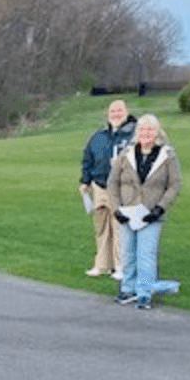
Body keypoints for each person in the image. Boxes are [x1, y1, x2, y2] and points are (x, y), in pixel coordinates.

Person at [108, 113, 181, 310]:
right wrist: (116, 209)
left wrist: (160, 208)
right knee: (128, 253)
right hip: (127, 213)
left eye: (150, 129)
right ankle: (128, 289)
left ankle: (144, 293)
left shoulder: (167, 155)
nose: (145, 133)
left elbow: (174, 185)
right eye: (142, 129)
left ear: (157, 132)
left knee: (146, 255)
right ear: (137, 132)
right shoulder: (126, 154)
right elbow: (112, 183)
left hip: (150, 215)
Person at [79, 98, 137, 278]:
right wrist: (85, 181)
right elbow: (87, 160)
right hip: (99, 187)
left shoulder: (133, 134)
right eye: (113, 111)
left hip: (122, 188)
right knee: (102, 226)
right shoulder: (99, 136)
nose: (116, 114)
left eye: (120, 111)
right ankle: (102, 265)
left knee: (120, 227)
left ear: (126, 112)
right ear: (107, 114)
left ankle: (121, 267)